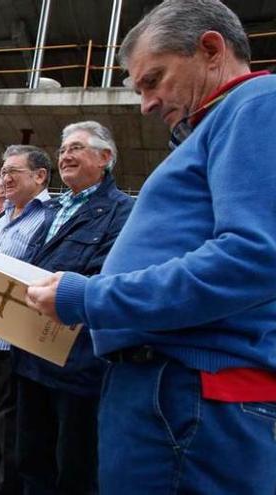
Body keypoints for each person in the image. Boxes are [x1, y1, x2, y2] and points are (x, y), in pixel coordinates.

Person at [26, 1, 276, 493]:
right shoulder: (218, 126)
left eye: (154, 80)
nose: (146, 104)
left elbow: (253, 256)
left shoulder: (256, 103)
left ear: (210, 49)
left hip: (190, 390)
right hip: (171, 389)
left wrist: (91, 298)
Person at [12, 121, 133, 494]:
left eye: (77, 148)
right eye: (63, 149)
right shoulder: (51, 210)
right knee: (30, 461)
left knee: (74, 470)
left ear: (105, 158)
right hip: (31, 356)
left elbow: (109, 279)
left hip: (77, 364)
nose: (65, 155)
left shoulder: (123, 212)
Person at [0, 145, 51, 495]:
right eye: (2, 173)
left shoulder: (50, 218)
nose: (4, 179)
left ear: (39, 176)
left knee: (10, 428)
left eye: (12, 172)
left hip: (13, 343)